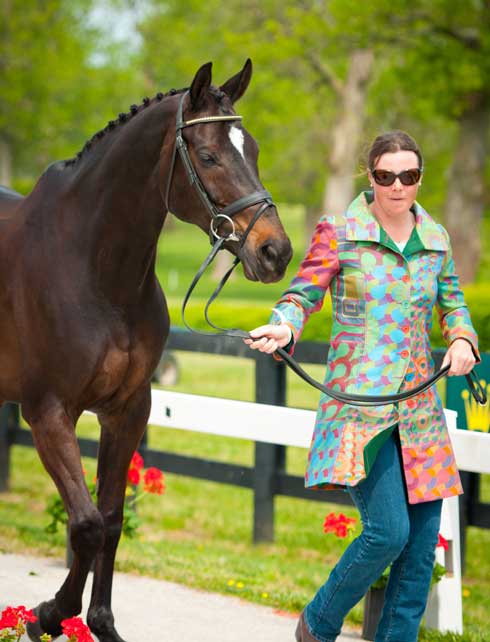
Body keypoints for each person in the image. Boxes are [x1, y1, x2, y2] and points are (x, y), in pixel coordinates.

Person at [245, 130, 479, 642]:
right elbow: (303, 293)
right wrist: (284, 324)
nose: (398, 186)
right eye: (386, 176)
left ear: (419, 179)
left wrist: (462, 337)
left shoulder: (435, 239)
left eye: (409, 176)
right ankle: (319, 622)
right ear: (370, 176)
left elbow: (454, 304)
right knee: (388, 531)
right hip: (359, 409)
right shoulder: (341, 231)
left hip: (420, 413)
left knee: (419, 552)